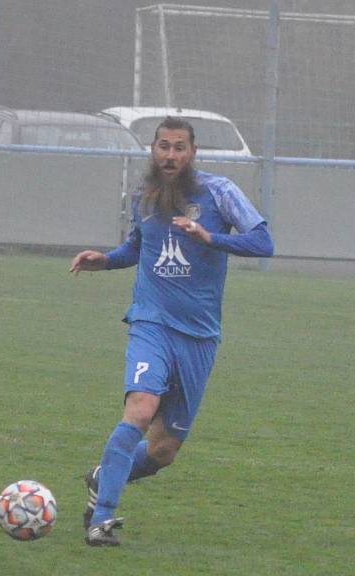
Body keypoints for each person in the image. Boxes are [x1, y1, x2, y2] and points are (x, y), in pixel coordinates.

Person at [70, 116, 274, 547]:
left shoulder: (219, 193)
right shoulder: (143, 197)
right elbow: (137, 248)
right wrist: (105, 260)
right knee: (141, 409)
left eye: (179, 147)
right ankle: (100, 520)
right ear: (153, 150)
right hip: (151, 321)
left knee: (164, 451)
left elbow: (263, 243)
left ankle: (104, 476)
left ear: (193, 152)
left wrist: (209, 237)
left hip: (199, 335)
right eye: (163, 146)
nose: (170, 155)